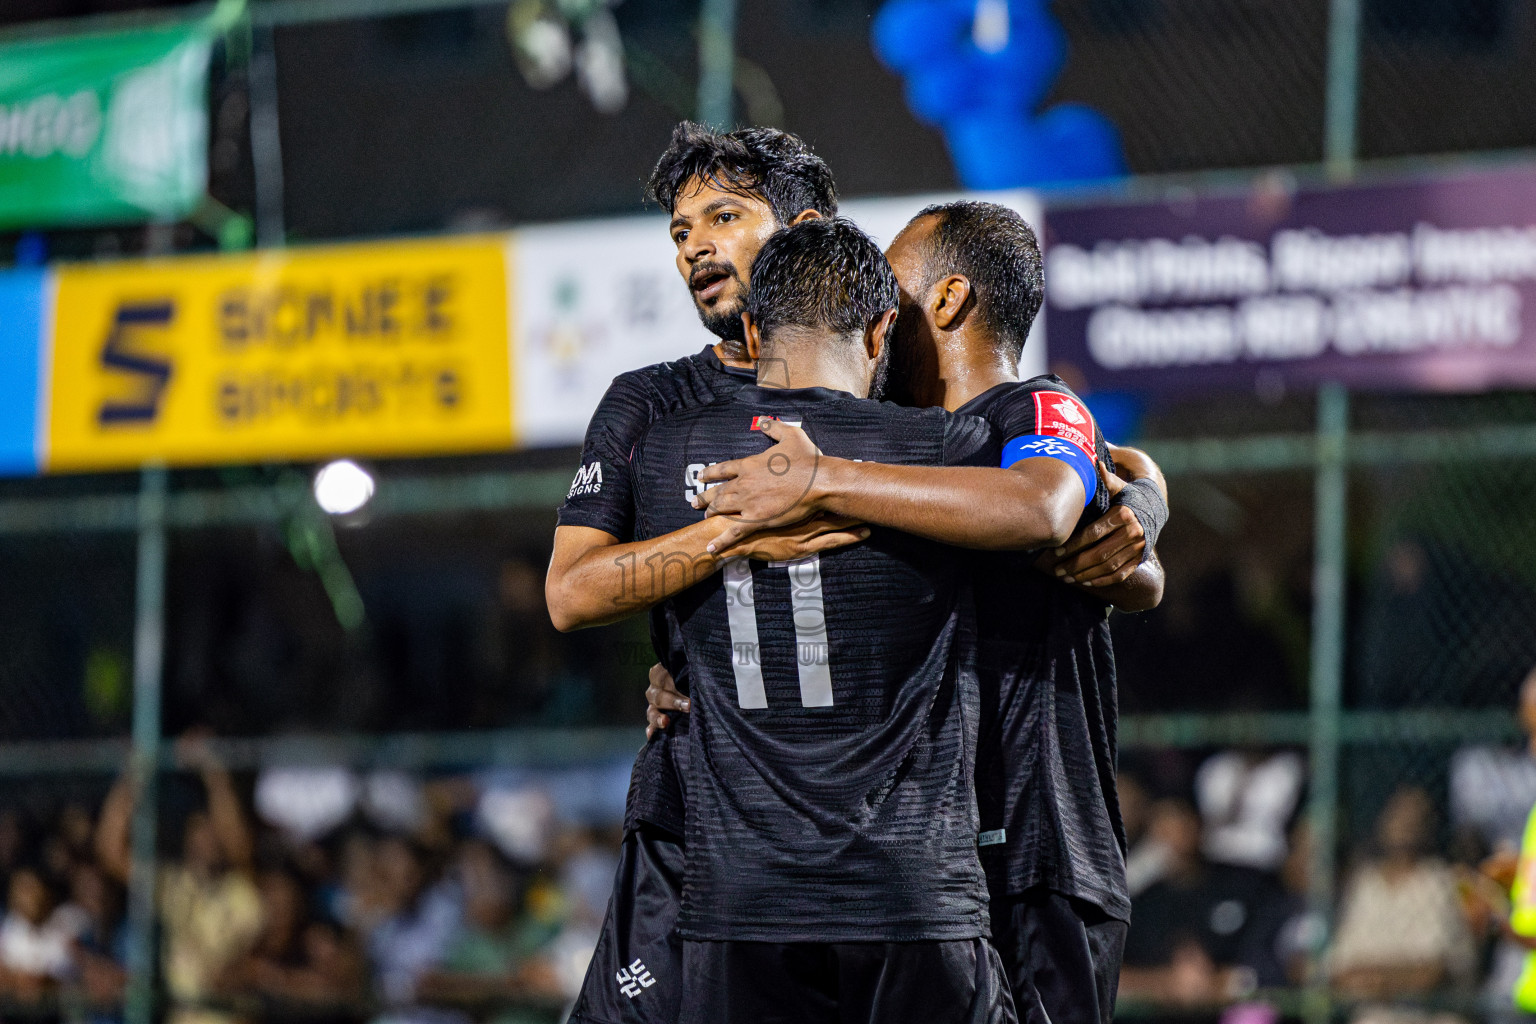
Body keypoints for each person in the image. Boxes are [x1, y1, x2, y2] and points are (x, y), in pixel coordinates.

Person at [553, 121, 1166, 1024]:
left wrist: (1146, 504)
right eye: (681, 231)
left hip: (973, 834)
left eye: (724, 216)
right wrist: (717, 556)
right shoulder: (656, 406)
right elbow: (574, 590)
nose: (697, 247)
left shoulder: (903, 411)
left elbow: (1077, 479)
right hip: (714, 833)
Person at [628, 216, 1016, 1022]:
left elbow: (601, 592)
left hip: (736, 909)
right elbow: (1063, 497)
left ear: (755, 327)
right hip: (913, 899)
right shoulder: (947, 449)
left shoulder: (664, 454)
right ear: (881, 331)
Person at [96, 732, 263, 1024]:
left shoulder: (243, 889)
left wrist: (215, 774)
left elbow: (239, 846)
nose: (209, 839)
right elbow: (111, 851)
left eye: (216, 832)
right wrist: (134, 775)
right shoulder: (173, 886)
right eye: (200, 831)